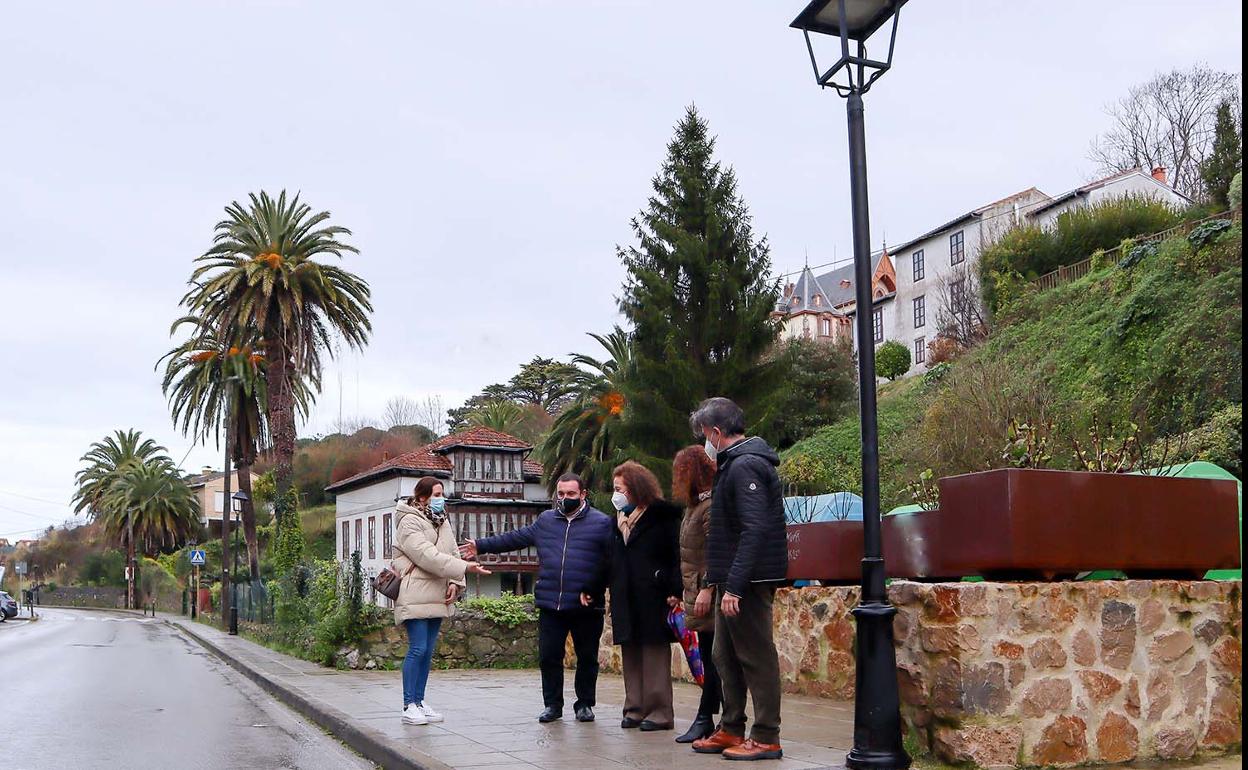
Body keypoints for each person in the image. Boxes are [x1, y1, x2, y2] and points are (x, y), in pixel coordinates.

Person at [460, 473, 614, 723]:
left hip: (586, 604)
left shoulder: (602, 523)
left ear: (583, 495)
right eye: (561, 494)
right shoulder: (546, 521)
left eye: (571, 494)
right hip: (551, 602)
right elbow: (515, 538)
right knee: (549, 656)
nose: (565, 499)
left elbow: (611, 563)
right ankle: (552, 705)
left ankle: (585, 703)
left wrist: (595, 590)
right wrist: (481, 545)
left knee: (587, 657)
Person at [689, 397, 788, 762]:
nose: (705, 442)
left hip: (749, 580)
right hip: (734, 578)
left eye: (704, 434)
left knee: (755, 654)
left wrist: (734, 585)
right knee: (724, 654)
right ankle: (731, 727)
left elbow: (754, 529)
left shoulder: (745, 465)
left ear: (716, 432)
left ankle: (766, 736)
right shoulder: (734, 465)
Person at [393, 476, 492, 725]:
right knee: (418, 648)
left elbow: (451, 552)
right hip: (414, 592)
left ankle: (419, 700)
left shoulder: (442, 520)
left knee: (428, 651)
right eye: (436, 494)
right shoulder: (408, 522)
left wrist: (456, 582)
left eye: (442, 494)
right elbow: (428, 556)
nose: (441, 499)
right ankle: (408, 704)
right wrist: (465, 568)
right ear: (422, 497)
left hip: (438, 592)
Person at [607, 460, 682, 732]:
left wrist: (675, 589)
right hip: (626, 595)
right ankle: (634, 708)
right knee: (631, 652)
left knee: (653, 653)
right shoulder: (618, 522)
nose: (615, 494)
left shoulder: (662, 517)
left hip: (654, 595)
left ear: (635, 488)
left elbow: (676, 555)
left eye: (619, 488)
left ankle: (660, 711)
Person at [672, 445, 722, 744]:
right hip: (695, 591)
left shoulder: (710, 505)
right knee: (708, 657)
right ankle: (712, 716)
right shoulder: (695, 506)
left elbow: (715, 551)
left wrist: (706, 589)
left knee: (716, 658)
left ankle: (709, 717)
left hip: (707, 594)